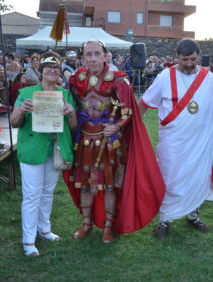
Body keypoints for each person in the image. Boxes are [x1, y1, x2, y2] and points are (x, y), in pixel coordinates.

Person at [63, 40, 165, 243]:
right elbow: (72, 104)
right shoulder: (77, 79)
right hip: (84, 140)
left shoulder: (119, 80)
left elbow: (127, 111)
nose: (92, 58)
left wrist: (117, 126)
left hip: (109, 141)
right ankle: (86, 223)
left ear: (105, 56)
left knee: (108, 185)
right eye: (88, 55)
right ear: (83, 58)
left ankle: (108, 227)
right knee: (84, 184)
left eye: (96, 54)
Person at [138, 38, 213, 237]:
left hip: (200, 141)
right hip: (172, 141)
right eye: (185, 60)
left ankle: (193, 215)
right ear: (177, 58)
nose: (190, 63)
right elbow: (145, 102)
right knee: (169, 177)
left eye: (193, 59)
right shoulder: (165, 76)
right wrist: (132, 126)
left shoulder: (208, 77)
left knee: (198, 176)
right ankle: (165, 220)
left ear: (198, 57)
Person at [10, 51, 77, 256]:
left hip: (55, 149)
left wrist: (71, 113)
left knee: (47, 192)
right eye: (47, 67)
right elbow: (14, 122)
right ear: (40, 72)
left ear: (60, 72)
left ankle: (44, 228)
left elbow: (73, 128)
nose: (52, 71)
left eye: (56, 68)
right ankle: (28, 240)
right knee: (32, 195)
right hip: (32, 150)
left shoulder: (66, 95)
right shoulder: (26, 94)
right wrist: (22, 111)